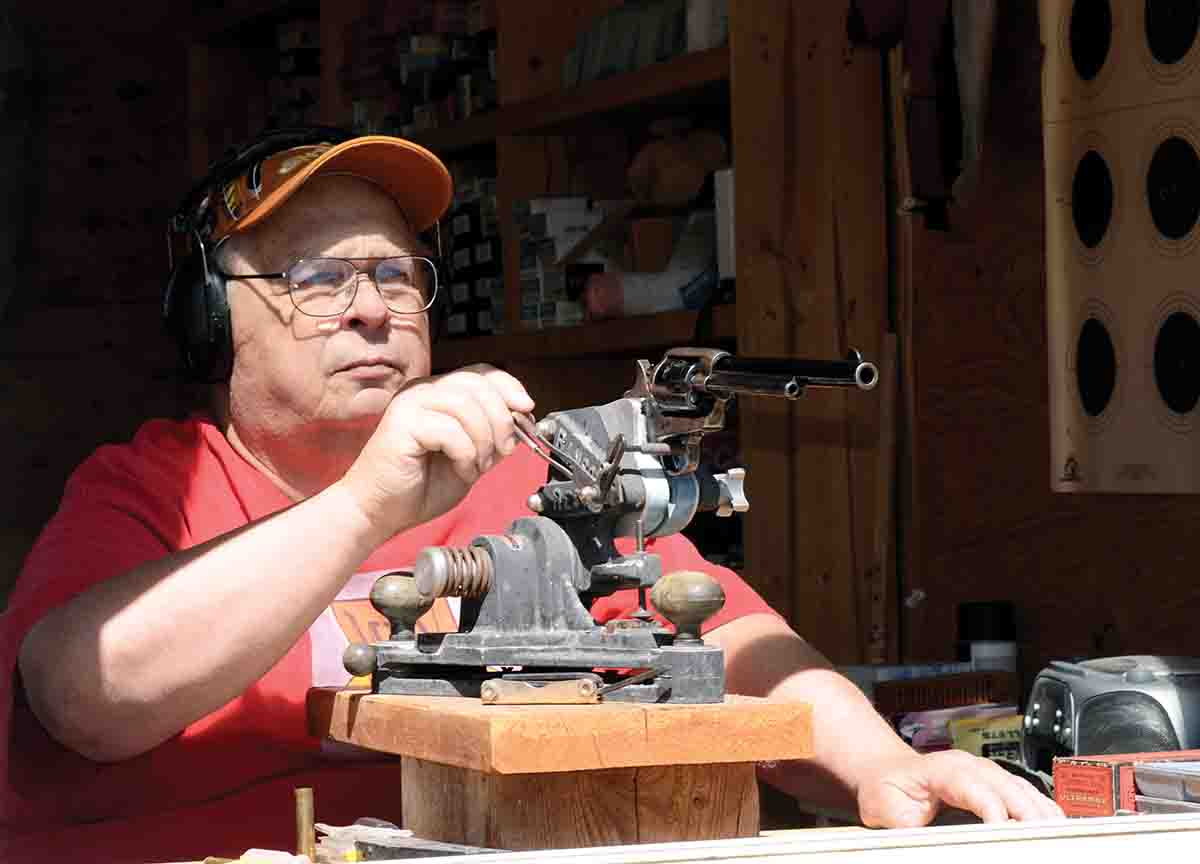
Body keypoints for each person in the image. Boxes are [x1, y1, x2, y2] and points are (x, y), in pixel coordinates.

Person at [0, 132, 1062, 863]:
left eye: (396, 275)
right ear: (209, 322)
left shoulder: (517, 481)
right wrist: (369, 507)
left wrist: (879, 764)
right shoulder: (147, 486)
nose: (371, 310)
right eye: (317, 279)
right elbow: (84, 698)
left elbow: (730, 641)